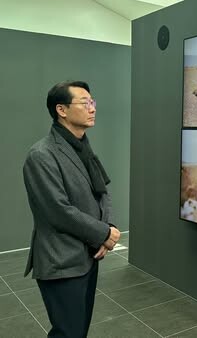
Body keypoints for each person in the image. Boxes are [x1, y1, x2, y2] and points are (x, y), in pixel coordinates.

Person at [22, 81, 121, 337]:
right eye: (85, 103)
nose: (92, 108)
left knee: (79, 330)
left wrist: (107, 228)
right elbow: (59, 211)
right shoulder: (41, 155)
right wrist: (103, 234)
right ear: (61, 110)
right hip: (62, 260)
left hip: (87, 256)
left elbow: (102, 191)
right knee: (68, 332)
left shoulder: (82, 147)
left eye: (93, 102)